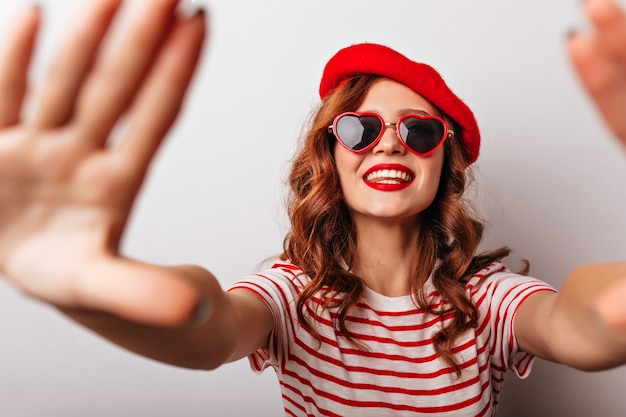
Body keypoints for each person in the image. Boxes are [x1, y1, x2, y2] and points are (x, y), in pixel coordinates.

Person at [0, 0, 625, 416]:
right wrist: (78, 286)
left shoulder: (484, 300)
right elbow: (210, 320)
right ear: (332, 154)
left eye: (420, 131)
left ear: (445, 165)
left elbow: (586, 322)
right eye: (358, 128)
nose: (387, 142)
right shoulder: (293, 294)